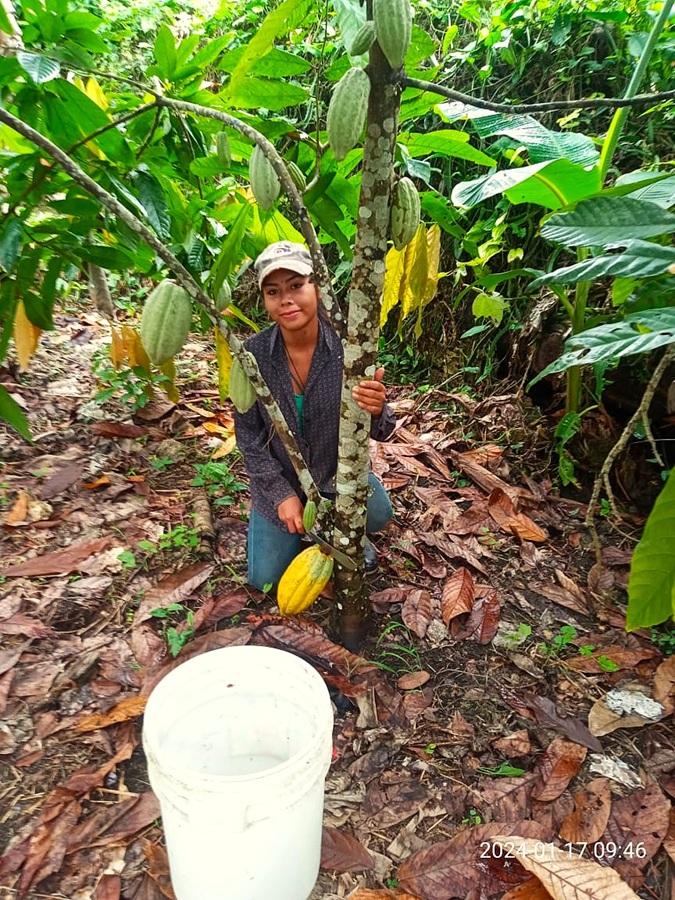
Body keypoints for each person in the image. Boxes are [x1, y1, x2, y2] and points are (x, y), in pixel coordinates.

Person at [233, 240, 396, 592]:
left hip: (339, 479)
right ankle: (314, 535)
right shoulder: (252, 355)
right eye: (273, 291)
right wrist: (280, 494)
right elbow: (247, 437)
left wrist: (377, 408)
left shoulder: (349, 347)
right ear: (264, 299)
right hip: (284, 481)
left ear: (316, 287)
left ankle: (347, 535)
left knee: (381, 514)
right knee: (264, 580)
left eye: (296, 285)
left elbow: (383, 430)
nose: (286, 299)